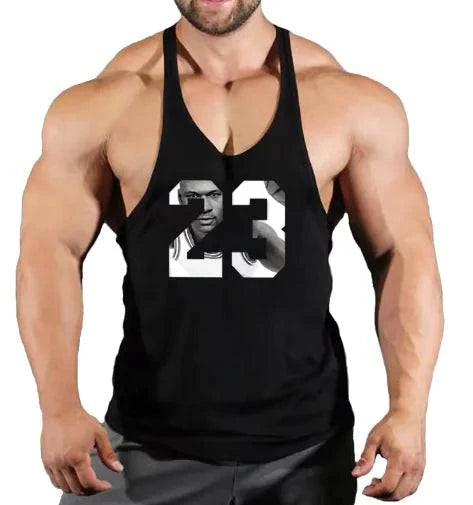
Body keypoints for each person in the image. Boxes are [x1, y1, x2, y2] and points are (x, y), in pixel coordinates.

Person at [16, 1, 443, 504]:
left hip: (305, 457)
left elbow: (402, 252)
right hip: (140, 448)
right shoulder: (104, 105)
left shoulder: (348, 103)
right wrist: (59, 408)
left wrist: (409, 409)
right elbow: (50, 253)